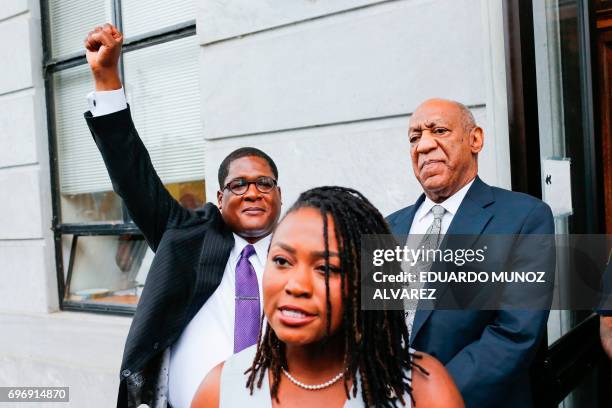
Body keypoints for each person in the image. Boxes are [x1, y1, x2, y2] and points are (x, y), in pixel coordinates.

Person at [84, 24, 282, 407]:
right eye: (239, 185)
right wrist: (106, 78)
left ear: (279, 195)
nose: (253, 191)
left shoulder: (302, 255)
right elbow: (132, 176)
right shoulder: (186, 238)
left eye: (265, 183)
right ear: (220, 198)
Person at [192, 186, 464, 407]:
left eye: (326, 268)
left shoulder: (423, 389)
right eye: (282, 261)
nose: (297, 285)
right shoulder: (219, 390)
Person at [386, 98, 555, 407]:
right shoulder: (387, 227)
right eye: (414, 137)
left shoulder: (523, 217)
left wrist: (428, 397)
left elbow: (514, 333)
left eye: (439, 130)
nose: (424, 145)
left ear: (475, 139)